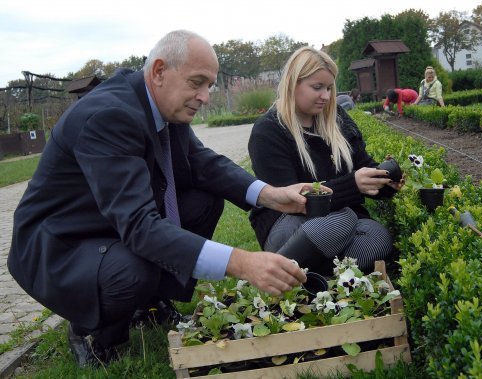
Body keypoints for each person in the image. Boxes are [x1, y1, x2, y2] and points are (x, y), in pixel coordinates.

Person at [7, 30, 310, 367]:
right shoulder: (109, 116)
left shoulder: (162, 103)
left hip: (106, 222)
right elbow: (140, 227)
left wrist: (269, 195)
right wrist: (243, 263)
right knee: (133, 270)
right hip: (59, 245)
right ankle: (92, 328)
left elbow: (201, 162)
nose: (205, 96)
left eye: (209, 85)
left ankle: (151, 303)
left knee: (203, 201)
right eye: (198, 82)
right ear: (159, 71)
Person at [248, 47, 401, 276]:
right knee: (341, 219)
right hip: (289, 225)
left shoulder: (338, 119)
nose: (326, 96)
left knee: (377, 238)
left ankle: (313, 280)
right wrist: (353, 185)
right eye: (317, 87)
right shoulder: (268, 131)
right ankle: (279, 272)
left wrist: (383, 181)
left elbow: (363, 165)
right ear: (293, 84)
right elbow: (290, 201)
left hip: (345, 224)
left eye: (329, 88)